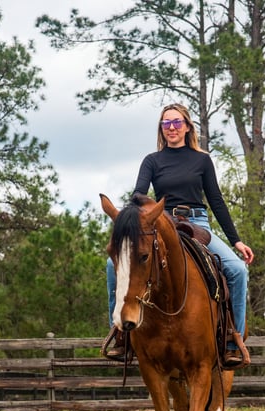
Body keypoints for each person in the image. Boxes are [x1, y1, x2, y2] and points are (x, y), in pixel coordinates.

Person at [106, 103, 254, 367]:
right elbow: (139, 195)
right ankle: (119, 332)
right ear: (161, 129)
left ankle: (234, 340)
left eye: (176, 123)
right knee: (110, 265)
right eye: (166, 124)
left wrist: (236, 240)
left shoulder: (202, 160)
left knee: (237, 271)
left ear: (187, 126)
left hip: (198, 224)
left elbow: (216, 201)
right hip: (162, 223)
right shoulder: (152, 161)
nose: (171, 128)